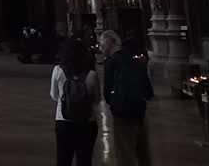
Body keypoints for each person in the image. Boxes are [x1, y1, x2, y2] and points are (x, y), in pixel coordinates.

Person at [101, 30, 154, 166]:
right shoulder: (133, 57)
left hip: (122, 113)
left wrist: (114, 104)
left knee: (125, 152)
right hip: (139, 109)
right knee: (143, 152)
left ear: (109, 43)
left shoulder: (111, 62)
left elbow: (107, 92)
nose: (101, 48)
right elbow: (147, 87)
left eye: (102, 45)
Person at [49, 37, 100, 166]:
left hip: (63, 120)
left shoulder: (58, 70)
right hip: (87, 122)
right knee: (84, 159)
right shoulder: (91, 74)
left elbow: (54, 95)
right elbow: (97, 100)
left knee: (63, 159)